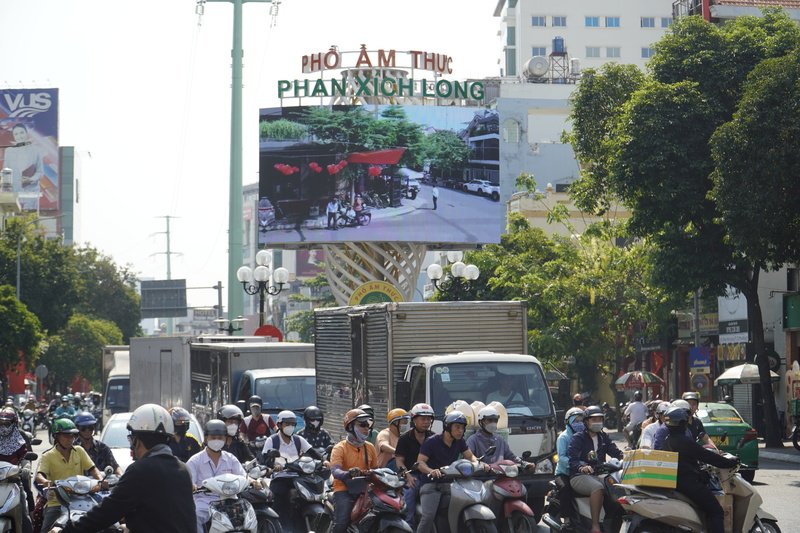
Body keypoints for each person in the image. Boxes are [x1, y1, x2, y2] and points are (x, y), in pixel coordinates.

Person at [52, 403, 197, 533]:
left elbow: (106, 512)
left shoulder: (140, 470)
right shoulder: (183, 470)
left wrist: (68, 530)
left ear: (137, 441)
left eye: (131, 439)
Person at [663, 406, 738, 533]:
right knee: (716, 510)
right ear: (683, 423)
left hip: (677, 482)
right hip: (689, 483)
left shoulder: (668, 440)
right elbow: (706, 455)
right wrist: (729, 462)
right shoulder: (684, 441)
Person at [416, 411, 487, 533]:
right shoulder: (432, 441)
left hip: (451, 485)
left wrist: (480, 464)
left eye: (463, 428)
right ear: (447, 427)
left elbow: (471, 457)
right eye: (457, 427)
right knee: (428, 517)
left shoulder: (460, 441)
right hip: (431, 485)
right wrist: (431, 471)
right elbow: (420, 463)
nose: (461, 431)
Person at [35, 418, 102, 533]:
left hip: (81, 498)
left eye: (72, 436)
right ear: (56, 436)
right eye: (66, 435)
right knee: (46, 530)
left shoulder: (79, 451)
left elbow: (93, 469)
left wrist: (100, 480)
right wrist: (46, 482)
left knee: (107, 522)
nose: (70, 439)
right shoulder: (47, 456)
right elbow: (39, 475)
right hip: (57, 502)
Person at [567, 405, 624, 533]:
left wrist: (628, 455)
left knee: (618, 487)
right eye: (594, 420)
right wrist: (582, 467)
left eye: (600, 419)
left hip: (599, 474)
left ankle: (612, 521)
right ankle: (595, 526)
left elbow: (615, 452)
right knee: (597, 488)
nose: (597, 422)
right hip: (578, 476)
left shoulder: (603, 437)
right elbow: (573, 460)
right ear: (586, 422)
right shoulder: (578, 438)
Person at [186, 419, 247, 533]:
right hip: (204, 502)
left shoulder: (231, 458)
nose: (216, 441)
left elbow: (243, 476)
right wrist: (192, 486)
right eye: (213, 437)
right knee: (195, 517)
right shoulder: (195, 461)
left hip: (229, 501)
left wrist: (253, 481)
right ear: (206, 438)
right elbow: (189, 481)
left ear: (225, 438)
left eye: (220, 438)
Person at [261, 410, 313, 531]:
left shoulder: (298, 440)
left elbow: (312, 452)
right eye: (287, 424)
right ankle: (281, 527)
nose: (290, 427)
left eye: (292, 424)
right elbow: (264, 459)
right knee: (280, 496)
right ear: (279, 425)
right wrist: (274, 463)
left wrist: (324, 460)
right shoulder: (272, 440)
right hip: (281, 477)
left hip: (299, 477)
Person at [329, 409, 378, 533]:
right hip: (344, 490)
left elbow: (376, 469)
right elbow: (335, 471)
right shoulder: (339, 448)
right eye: (362, 425)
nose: (366, 428)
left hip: (366, 490)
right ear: (350, 427)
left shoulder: (370, 447)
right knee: (341, 523)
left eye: (368, 425)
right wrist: (348, 473)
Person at [394, 403, 434, 527]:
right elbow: (399, 460)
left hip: (430, 474)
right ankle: (408, 525)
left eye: (428, 419)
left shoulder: (433, 437)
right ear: (414, 420)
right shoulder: (405, 439)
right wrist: (407, 476)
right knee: (409, 495)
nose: (426, 422)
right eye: (423, 419)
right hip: (412, 476)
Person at [0, 407, 34, 533]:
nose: (3, 427)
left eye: (7, 424)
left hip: (13, 480)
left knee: (23, 512)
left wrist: (25, 467)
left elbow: (25, 458)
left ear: (14, 423)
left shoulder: (20, 440)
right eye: (1, 423)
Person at [554, 407, 585, 525]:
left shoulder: (584, 436)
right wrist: (577, 464)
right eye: (576, 421)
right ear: (568, 422)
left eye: (581, 420)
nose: (579, 424)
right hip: (564, 472)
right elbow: (561, 458)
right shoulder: (563, 437)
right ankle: (566, 518)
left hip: (581, 471)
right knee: (565, 488)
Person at [74, 411, 122, 475]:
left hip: (101, 483)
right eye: (83, 428)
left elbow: (115, 466)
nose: (87, 431)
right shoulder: (72, 448)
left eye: (90, 428)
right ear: (77, 429)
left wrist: (121, 476)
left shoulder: (103, 448)